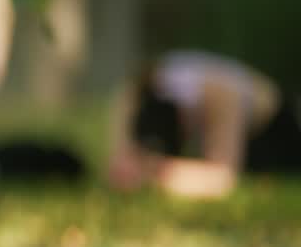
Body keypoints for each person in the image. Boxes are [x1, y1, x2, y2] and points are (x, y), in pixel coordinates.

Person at [107, 49, 301, 198]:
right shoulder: (135, 94)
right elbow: (117, 165)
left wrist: (157, 172)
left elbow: (223, 179)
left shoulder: (219, 92)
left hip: (275, 133)